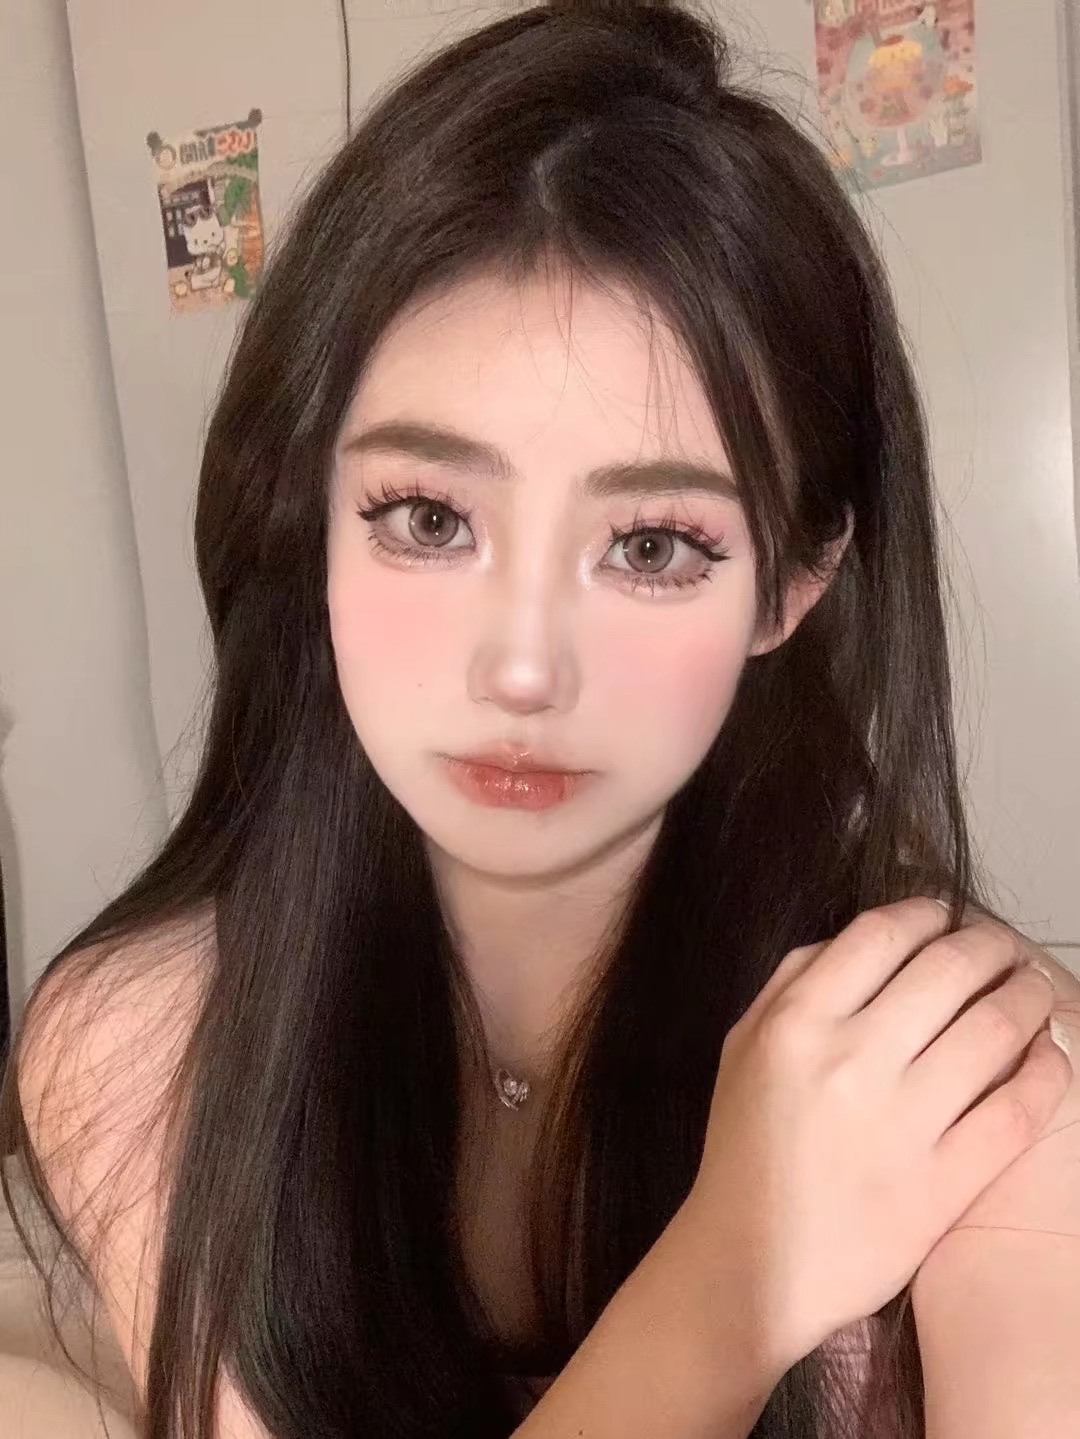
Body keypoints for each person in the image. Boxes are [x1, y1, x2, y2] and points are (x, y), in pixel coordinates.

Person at [1, 1, 1077, 1435]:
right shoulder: (139, 1045)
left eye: (652, 546)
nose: (522, 669)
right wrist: (734, 1280)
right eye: (427, 518)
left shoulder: (965, 1076)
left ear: (792, 586)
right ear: (310, 521)